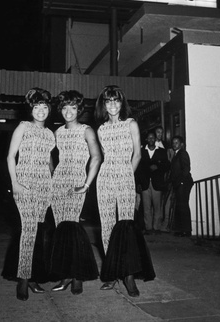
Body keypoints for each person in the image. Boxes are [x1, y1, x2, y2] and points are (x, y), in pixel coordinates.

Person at [95, 85, 155, 297]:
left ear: (122, 103)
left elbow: (137, 154)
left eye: (116, 100)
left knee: (126, 226)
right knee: (107, 226)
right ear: (103, 104)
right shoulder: (101, 129)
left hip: (126, 176)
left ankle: (128, 275)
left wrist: (126, 175)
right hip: (105, 178)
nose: (112, 105)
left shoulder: (131, 124)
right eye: (108, 101)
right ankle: (112, 273)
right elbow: (102, 157)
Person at [50, 90, 101, 295]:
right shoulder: (57, 132)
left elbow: (96, 158)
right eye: (64, 107)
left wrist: (87, 185)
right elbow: (48, 155)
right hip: (58, 184)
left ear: (79, 109)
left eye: (73, 107)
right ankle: (66, 274)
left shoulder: (87, 130)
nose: (68, 111)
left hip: (76, 184)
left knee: (72, 228)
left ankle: (78, 275)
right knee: (60, 230)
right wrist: (52, 174)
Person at [6, 87, 55, 301]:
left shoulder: (50, 134)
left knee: (38, 234)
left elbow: (49, 161)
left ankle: (33, 276)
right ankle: (23, 281)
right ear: (31, 109)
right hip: (25, 186)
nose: (41, 111)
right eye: (36, 107)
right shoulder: (23, 127)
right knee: (27, 231)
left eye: (44, 107)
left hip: (45, 187)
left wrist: (53, 184)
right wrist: (15, 183)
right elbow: (10, 157)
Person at [138, 131, 170, 234]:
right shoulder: (141, 151)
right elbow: (138, 169)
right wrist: (138, 183)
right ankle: (148, 228)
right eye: (149, 138)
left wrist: (158, 166)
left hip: (157, 183)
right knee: (146, 207)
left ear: (155, 140)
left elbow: (167, 166)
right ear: (146, 139)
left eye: (153, 138)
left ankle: (156, 227)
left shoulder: (161, 151)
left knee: (157, 207)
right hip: (145, 183)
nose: (151, 140)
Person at [170, 135, 194, 237]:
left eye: (176, 143)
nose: (174, 144)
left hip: (183, 184)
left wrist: (181, 183)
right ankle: (181, 230)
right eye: (173, 142)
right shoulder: (176, 154)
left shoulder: (183, 153)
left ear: (181, 144)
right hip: (179, 184)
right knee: (180, 206)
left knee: (183, 206)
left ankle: (186, 231)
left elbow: (186, 169)